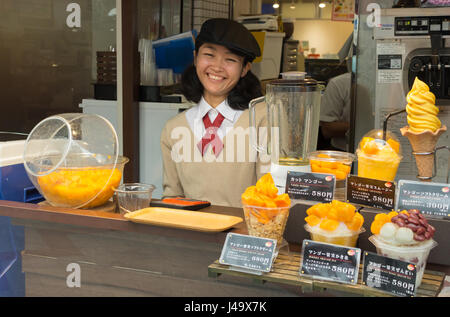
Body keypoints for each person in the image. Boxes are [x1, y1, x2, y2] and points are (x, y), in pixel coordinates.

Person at [160, 18, 270, 208]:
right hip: (191, 234)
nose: (217, 67)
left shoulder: (262, 119)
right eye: (209, 55)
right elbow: (172, 197)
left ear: (245, 69)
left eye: (230, 59)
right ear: (195, 58)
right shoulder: (174, 128)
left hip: (244, 235)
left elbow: (270, 198)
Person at [319, 34, 353, 151]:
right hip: (342, 151)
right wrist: (366, 126)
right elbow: (327, 129)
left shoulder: (392, 85)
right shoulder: (339, 84)